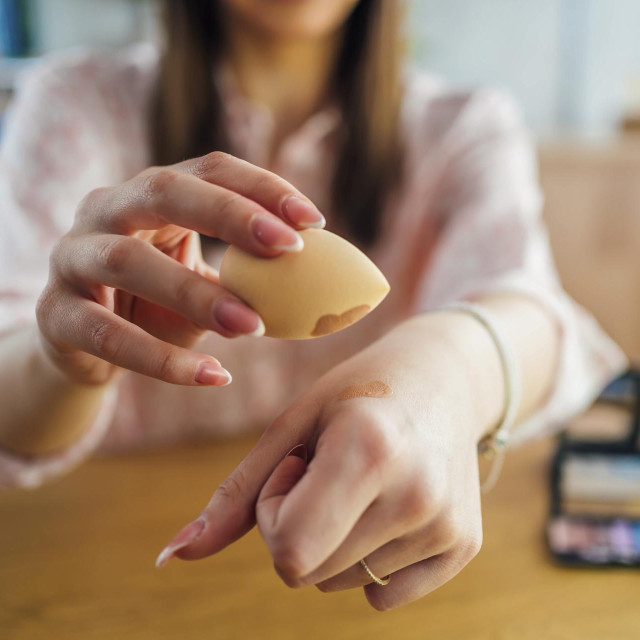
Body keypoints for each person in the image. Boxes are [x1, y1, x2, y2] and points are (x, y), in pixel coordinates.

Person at [0, 0, 626, 610]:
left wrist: (447, 369)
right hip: (102, 579)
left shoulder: (461, 127)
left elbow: (532, 309)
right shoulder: (74, 105)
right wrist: (62, 358)